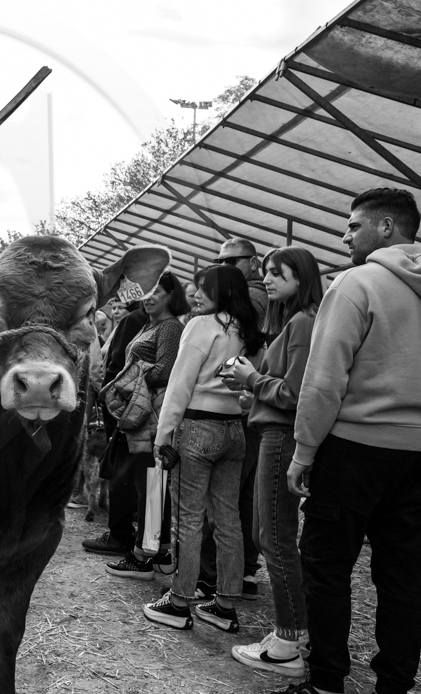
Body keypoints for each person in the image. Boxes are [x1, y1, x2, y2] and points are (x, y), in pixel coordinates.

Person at [282, 189, 421, 694]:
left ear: (386, 228)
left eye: (353, 226)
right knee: (403, 574)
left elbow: (324, 380)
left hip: (358, 448)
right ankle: (394, 685)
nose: (345, 236)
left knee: (326, 565)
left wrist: (304, 451)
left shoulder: (356, 284)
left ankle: (326, 682)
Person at [143, 264, 264, 633]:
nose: (197, 295)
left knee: (189, 519)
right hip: (234, 431)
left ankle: (179, 601)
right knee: (227, 519)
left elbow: (180, 382)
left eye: (204, 289)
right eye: (196, 288)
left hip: (196, 427)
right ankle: (224, 605)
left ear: (223, 291)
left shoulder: (202, 326)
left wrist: (163, 434)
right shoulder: (249, 332)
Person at [223, 247, 323, 678]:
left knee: (275, 537)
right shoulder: (291, 321)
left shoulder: (302, 322)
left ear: (300, 277)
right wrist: (253, 393)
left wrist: (251, 379)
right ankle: (293, 633)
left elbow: (296, 394)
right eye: (264, 272)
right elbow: (282, 389)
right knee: (271, 534)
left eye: (276, 272)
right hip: (274, 431)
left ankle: (289, 642)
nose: (267, 278)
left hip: (280, 438)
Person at [102, 271, 190, 578]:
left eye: (157, 292)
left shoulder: (169, 328)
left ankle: (143, 558)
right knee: (151, 483)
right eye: (146, 292)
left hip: (152, 414)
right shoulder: (152, 324)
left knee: (151, 485)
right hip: (144, 412)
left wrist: (126, 384)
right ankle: (161, 552)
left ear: (171, 296)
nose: (148, 297)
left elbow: (165, 371)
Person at [201, 237, 270, 600]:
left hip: (238, 407)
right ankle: (243, 571)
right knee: (243, 496)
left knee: (222, 499)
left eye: (231, 261)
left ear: (252, 262)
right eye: (219, 260)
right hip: (257, 407)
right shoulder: (266, 295)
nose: (223, 266)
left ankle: (212, 576)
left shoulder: (251, 299)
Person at [82, 298, 149, 554]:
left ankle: (121, 535)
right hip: (136, 407)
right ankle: (136, 534)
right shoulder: (162, 324)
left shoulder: (135, 321)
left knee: (119, 467)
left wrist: (106, 395)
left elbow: (112, 364)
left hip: (124, 406)